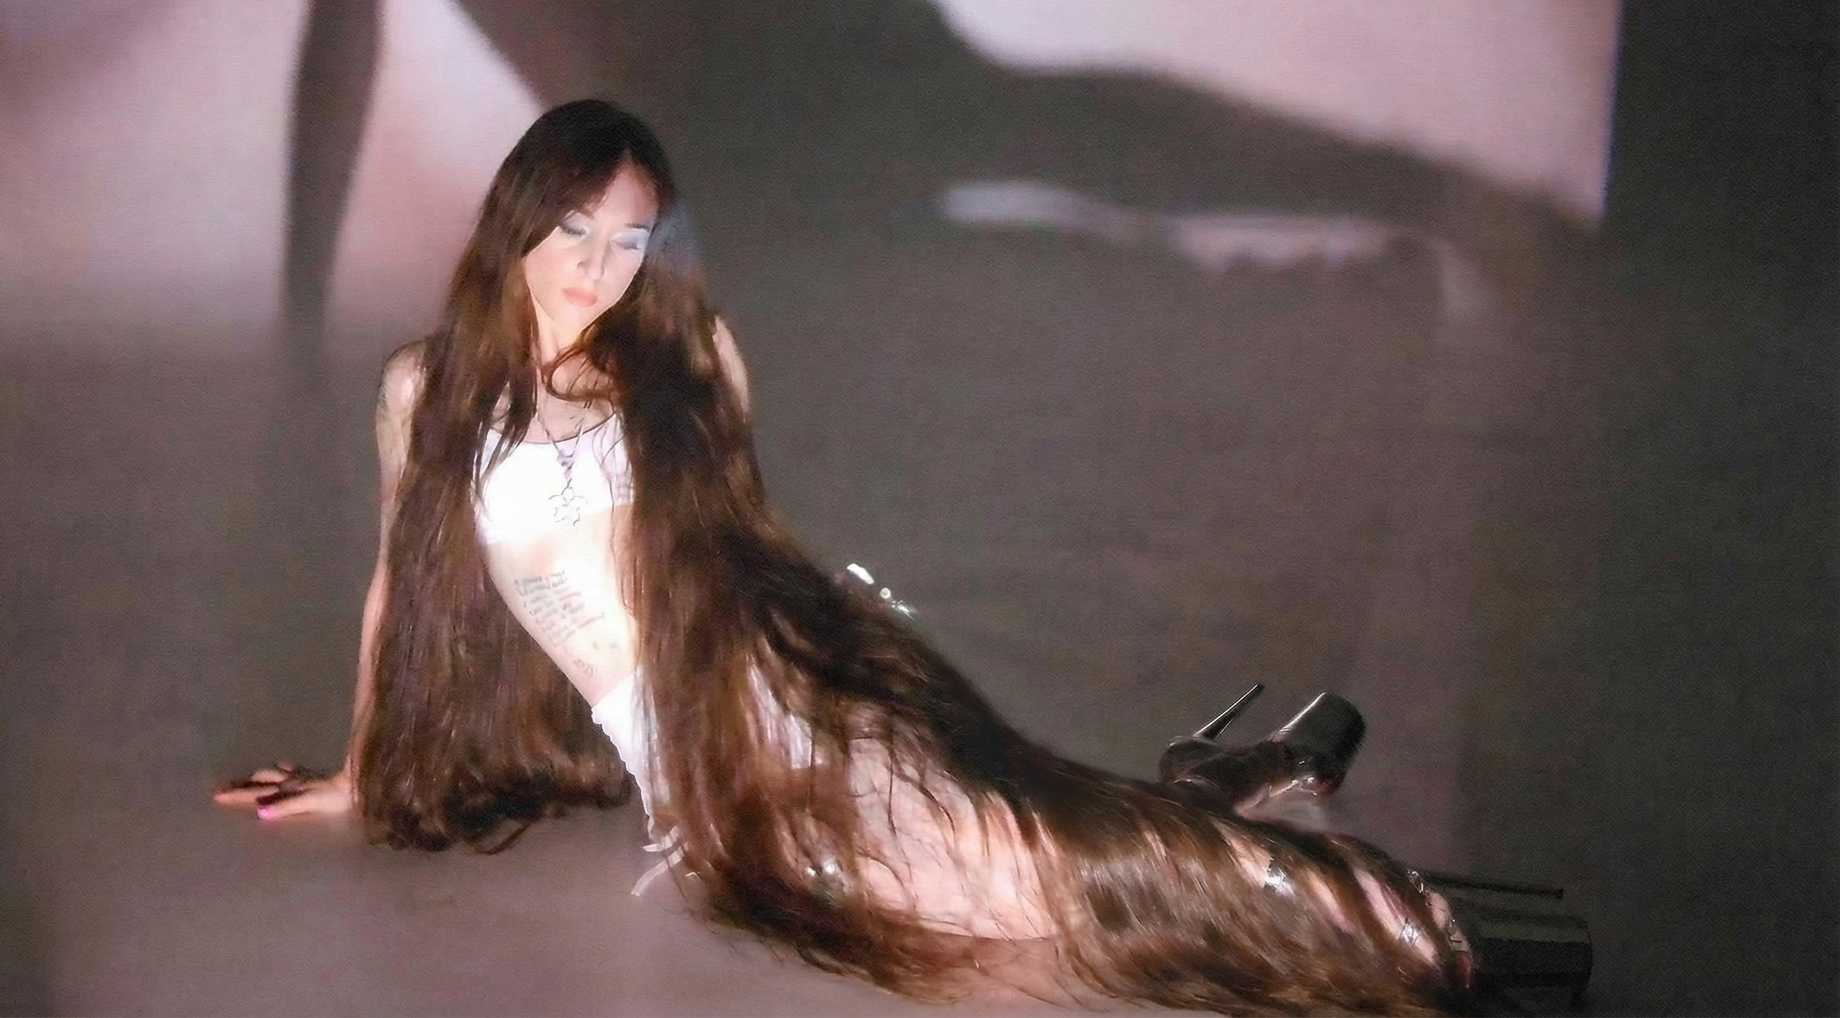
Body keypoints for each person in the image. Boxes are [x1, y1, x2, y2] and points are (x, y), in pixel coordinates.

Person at [221, 99, 1471, 1015]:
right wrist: (362, 775)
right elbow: (395, 584)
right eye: (574, 232)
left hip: (780, 698)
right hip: (692, 771)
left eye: (632, 241)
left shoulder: (689, 362)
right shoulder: (424, 390)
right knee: (1007, 886)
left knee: (1035, 878)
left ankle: (1380, 913)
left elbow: (744, 569)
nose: (600, 271)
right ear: (516, 221)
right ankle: (1226, 776)